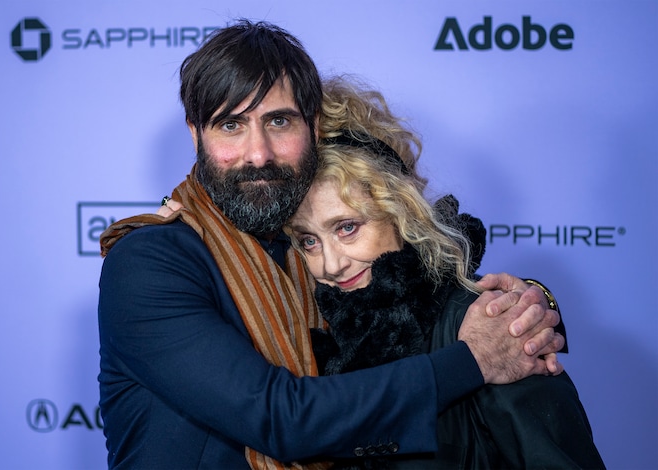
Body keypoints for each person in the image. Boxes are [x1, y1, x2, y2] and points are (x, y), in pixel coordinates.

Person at [98, 20, 565, 469]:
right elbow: (281, 418)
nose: (258, 153)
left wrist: (524, 309)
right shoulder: (150, 259)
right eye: (231, 126)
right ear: (196, 134)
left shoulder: (299, 246)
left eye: (278, 121)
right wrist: (473, 361)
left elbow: (414, 299)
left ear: (313, 127)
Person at [283, 76, 604, 469]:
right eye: (308, 241)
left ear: (401, 211)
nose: (330, 265)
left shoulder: (495, 326)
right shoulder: (312, 336)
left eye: (347, 227)